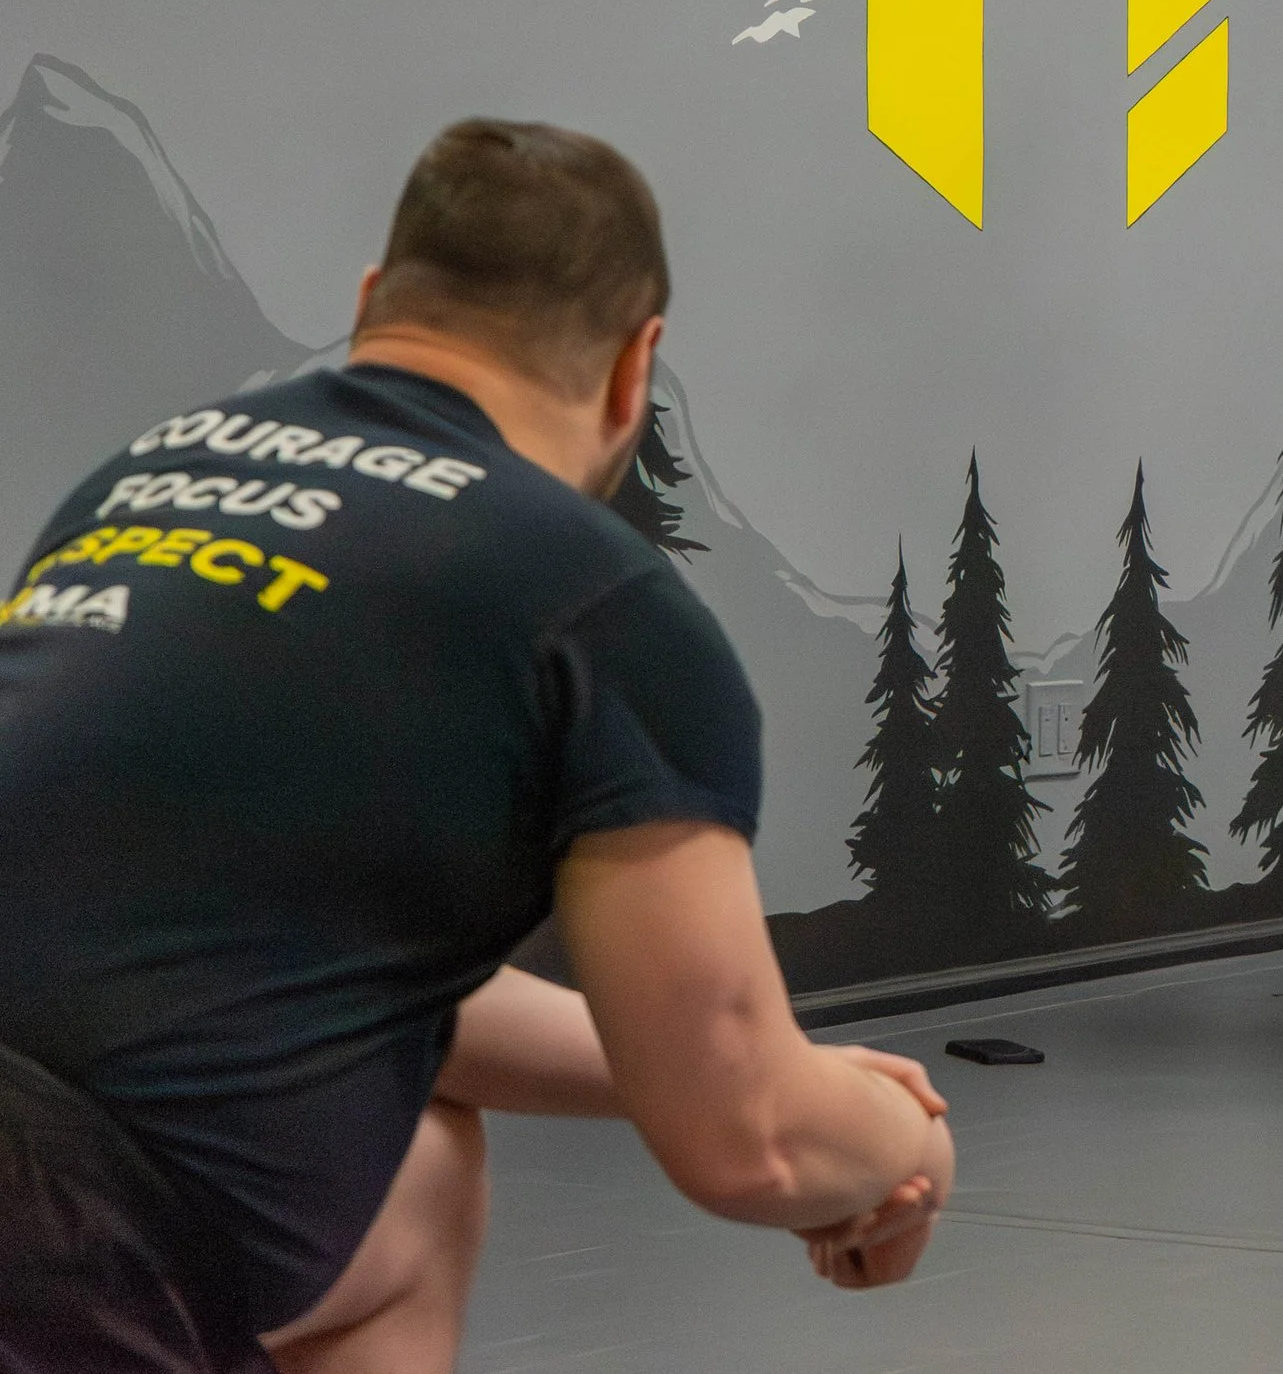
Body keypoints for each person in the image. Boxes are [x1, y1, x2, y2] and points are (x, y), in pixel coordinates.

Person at [0, 120, 955, 1373]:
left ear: (369, 308)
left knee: (426, 1159)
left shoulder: (138, 484)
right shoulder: (595, 603)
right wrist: (903, 1157)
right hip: (57, 1236)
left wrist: (759, 1065)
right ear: (636, 369)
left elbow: (334, 989)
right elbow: (751, 1143)